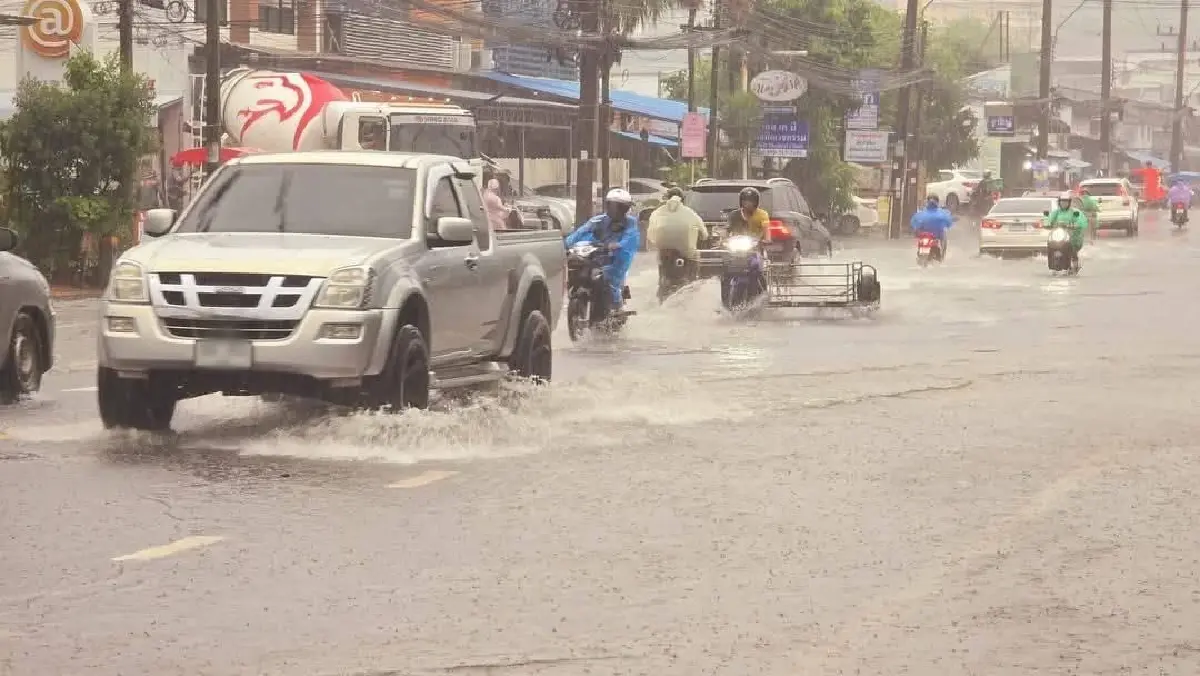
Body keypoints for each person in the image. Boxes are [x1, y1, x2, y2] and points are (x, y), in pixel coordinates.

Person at [565, 188, 640, 309]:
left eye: (620, 207)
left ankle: (616, 306)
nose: (615, 210)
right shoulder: (598, 220)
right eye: (612, 206)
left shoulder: (630, 222)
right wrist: (566, 245)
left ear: (626, 209)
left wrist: (617, 245)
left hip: (618, 257)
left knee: (611, 281)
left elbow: (630, 238)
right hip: (596, 254)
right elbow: (579, 233)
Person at [647, 187, 708, 298]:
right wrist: (704, 237)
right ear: (682, 199)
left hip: (664, 252)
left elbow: (650, 234)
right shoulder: (690, 212)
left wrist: (655, 243)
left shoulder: (657, 212)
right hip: (686, 252)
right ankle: (692, 285)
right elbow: (704, 234)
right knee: (695, 258)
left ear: (667, 199)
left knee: (662, 263)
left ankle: (662, 285)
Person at [1044, 190, 1088, 264]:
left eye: (1066, 202)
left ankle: (1075, 262)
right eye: (1062, 202)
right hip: (1059, 233)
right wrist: (1047, 223)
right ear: (1059, 203)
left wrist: (1076, 225)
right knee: (1050, 243)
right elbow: (1049, 219)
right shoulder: (1056, 212)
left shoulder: (1074, 212)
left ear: (1069, 203)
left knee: (1072, 248)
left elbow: (1080, 220)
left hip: (1072, 235)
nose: (1064, 203)